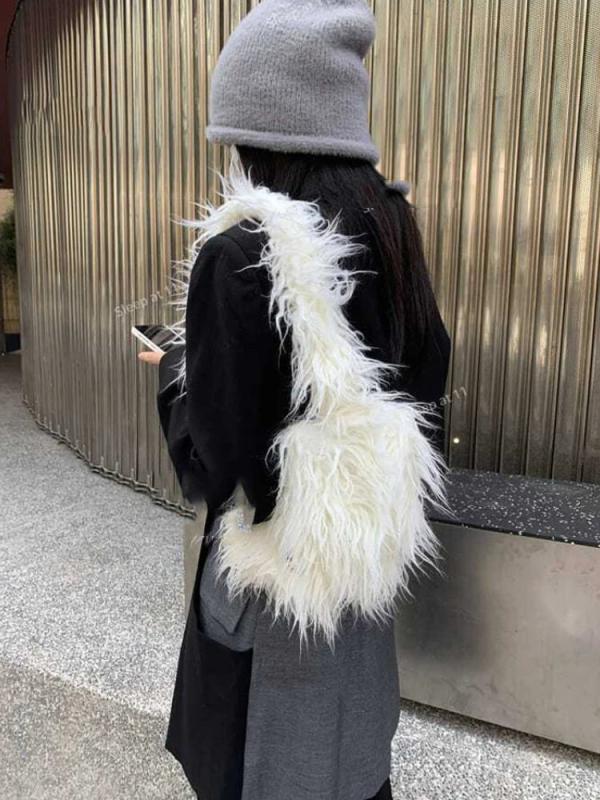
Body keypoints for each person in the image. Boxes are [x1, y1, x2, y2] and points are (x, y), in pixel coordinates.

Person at [139, 1, 451, 798]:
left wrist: (175, 369)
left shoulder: (239, 253)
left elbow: (216, 462)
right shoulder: (392, 231)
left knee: (267, 773)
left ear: (259, 133)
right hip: (358, 583)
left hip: (269, 592)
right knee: (349, 762)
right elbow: (425, 383)